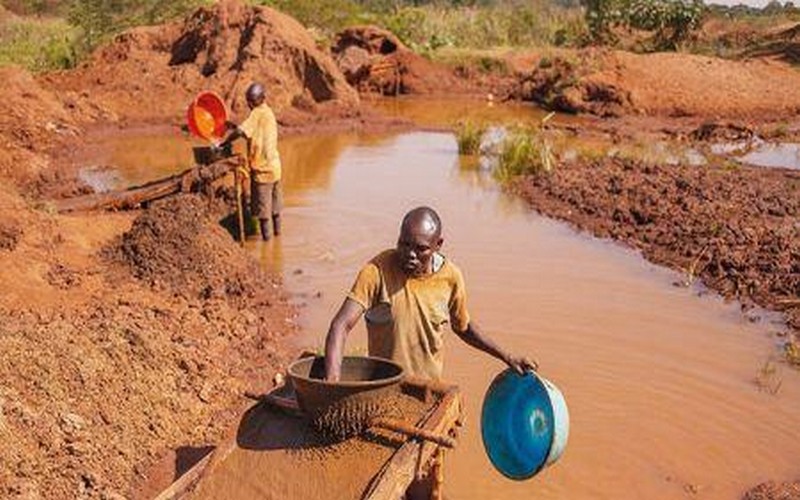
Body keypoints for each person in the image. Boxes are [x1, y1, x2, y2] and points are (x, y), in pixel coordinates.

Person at [324, 206, 537, 382]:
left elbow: (463, 327)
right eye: (404, 244)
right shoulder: (378, 270)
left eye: (421, 249)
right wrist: (331, 383)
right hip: (383, 385)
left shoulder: (451, 278)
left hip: (426, 390)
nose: (410, 254)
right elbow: (341, 325)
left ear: (438, 245)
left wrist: (507, 357)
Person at [220, 82, 283, 241]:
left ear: (252, 101)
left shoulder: (256, 114)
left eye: (250, 101)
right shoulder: (267, 112)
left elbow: (241, 131)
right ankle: (278, 238)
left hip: (262, 171)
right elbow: (252, 131)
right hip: (275, 168)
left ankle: (267, 244)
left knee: (263, 213)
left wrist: (223, 143)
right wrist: (233, 127)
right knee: (275, 209)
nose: (249, 104)